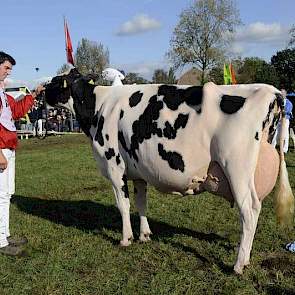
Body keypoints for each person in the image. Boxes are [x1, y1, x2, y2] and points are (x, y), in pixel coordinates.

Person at [0, 51, 44, 256]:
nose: (8, 72)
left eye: (10, 69)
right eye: (6, 67)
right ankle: (0, 241)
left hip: (9, 147)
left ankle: (4, 234)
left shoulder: (4, 94)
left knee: (7, 194)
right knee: (0, 195)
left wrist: (33, 94)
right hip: (1, 149)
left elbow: (16, 111)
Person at [271, 89, 293, 153]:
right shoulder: (278, 102)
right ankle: (272, 146)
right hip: (279, 120)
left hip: (285, 120)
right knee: (276, 133)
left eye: (282, 93)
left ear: (285, 94)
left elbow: (288, 111)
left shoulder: (289, 103)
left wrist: (281, 111)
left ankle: (285, 149)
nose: (281, 94)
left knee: (285, 134)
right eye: (280, 93)